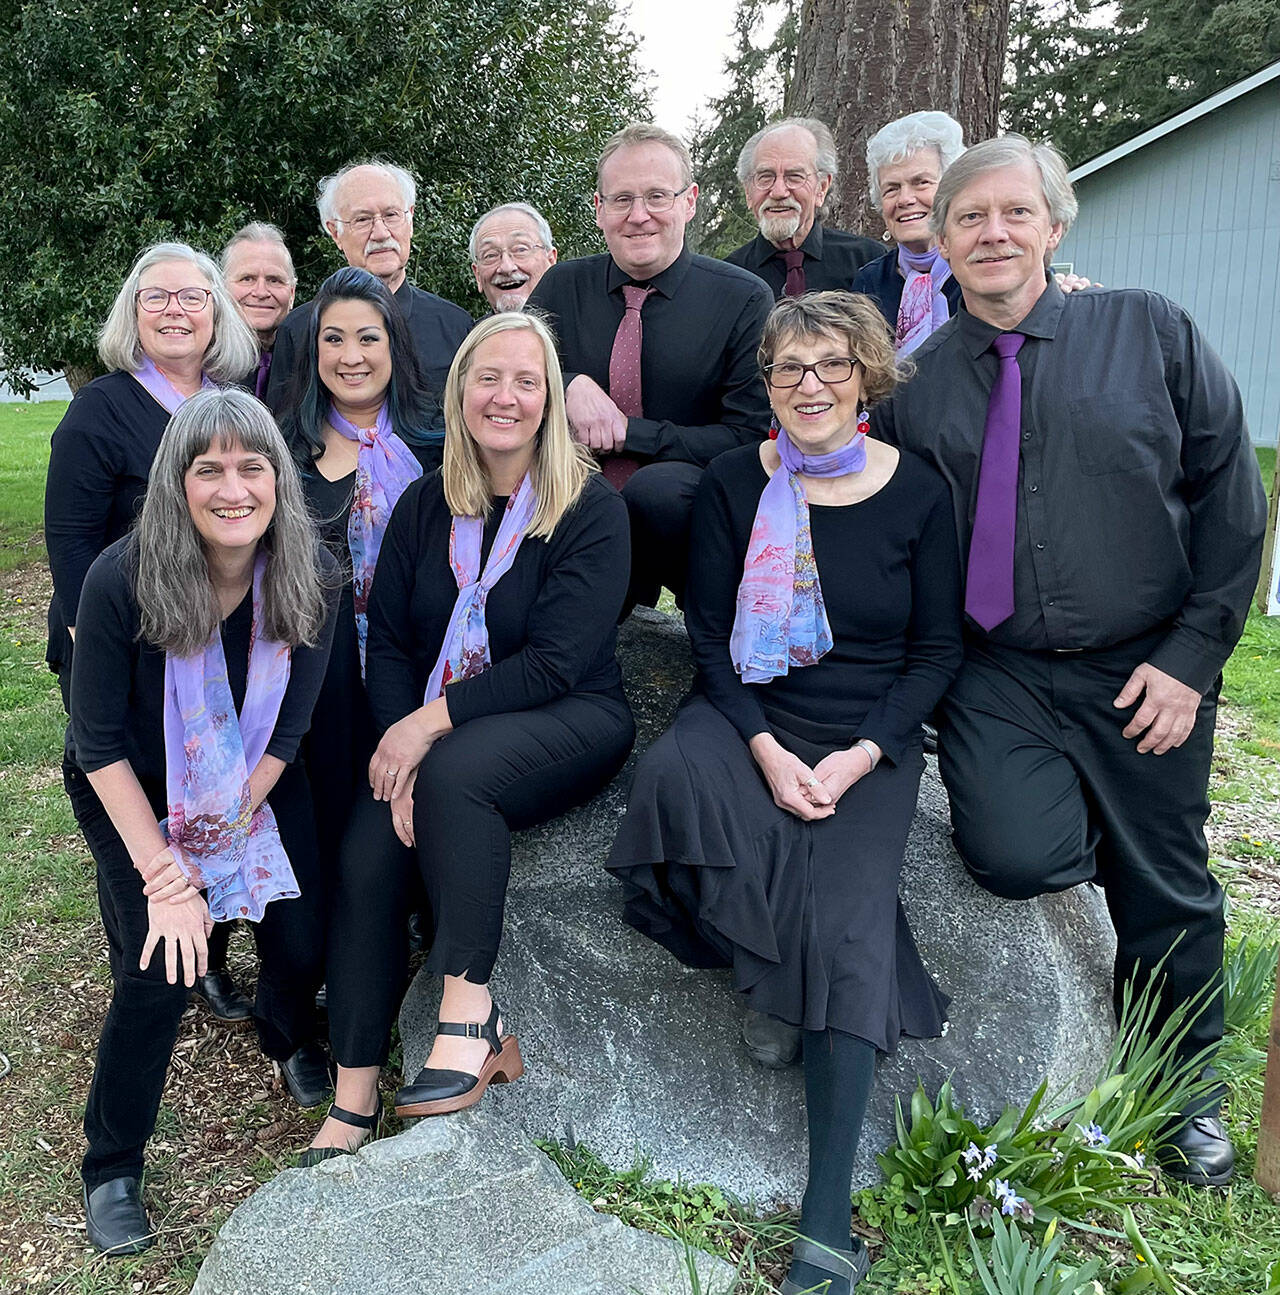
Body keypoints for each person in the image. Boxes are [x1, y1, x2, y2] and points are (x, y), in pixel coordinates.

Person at [873, 134, 1268, 1188]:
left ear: (1053, 225)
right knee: (1008, 853)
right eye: (968, 218)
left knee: (1167, 882)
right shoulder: (913, 385)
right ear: (939, 242)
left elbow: (1234, 503)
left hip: (1143, 661)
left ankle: (1185, 1094)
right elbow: (847, 476)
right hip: (995, 669)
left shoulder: (1149, 329)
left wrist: (1189, 660)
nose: (991, 232)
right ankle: (1093, 814)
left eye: (1013, 213)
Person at [607, 291, 962, 1295]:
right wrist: (762, 750)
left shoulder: (918, 491)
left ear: (866, 377)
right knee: (674, 782)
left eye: (830, 365)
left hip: (868, 735)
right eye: (787, 368)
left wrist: (859, 757)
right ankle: (767, 964)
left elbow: (935, 651)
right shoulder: (731, 481)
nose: (808, 384)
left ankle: (821, 1223)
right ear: (764, 383)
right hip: (752, 713)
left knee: (849, 933)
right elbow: (710, 638)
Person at [67, 389, 339, 1254]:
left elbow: (291, 729)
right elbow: (96, 741)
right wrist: (167, 874)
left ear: (278, 482)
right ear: (175, 482)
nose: (232, 487)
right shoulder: (123, 576)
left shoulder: (312, 574)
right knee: (161, 963)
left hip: (254, 775)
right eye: (208, 467)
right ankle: (112, 1165)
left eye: (252, 466)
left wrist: (232, 820)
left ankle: (285, 1031)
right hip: (134, 787)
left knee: (300, 934)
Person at [359, 311, 634, 1123]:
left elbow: (555, 662)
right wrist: (396, 749)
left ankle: (471, 1015)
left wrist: (424, 730)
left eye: (526, 381)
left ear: (548, 399)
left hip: (572, 712)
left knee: (456, 774)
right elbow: (390, 646)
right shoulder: (424, 502)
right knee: (365, 849)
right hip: (448, 721)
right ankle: (350, 1094)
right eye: (489, 377)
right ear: (460, 391)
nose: (505, 397)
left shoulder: (588, 507)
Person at [45, 244, 260, 1025]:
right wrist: (96, 642)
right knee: (131, 801)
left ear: (216, 314)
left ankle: (213, 949)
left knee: (204, 797)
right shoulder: (102, 407)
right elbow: (70, 540)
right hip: (122, 654)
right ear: (132, 315)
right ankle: (142, 957)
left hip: (216, 655)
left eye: (193, 297)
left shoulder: (234, 402)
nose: (175, 310)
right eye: (156, 297)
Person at [275, 266, 446, 1163]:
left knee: (381, 856)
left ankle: (381, 1030)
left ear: (395, 346)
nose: (350, 354)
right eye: (332, 338)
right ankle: (302, 1015)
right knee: (326, 871)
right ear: (312, 350)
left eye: (368, 337)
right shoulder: (287, 454)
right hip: (321, 697)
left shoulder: (435, 444)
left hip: (420, 678)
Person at [528, 122, 773, 612]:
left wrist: (630, 434)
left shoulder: (743, 298)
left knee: (657, 490)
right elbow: (499, 372)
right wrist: (567, 382)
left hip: (685, 518)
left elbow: (747, 436)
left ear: (690, 201)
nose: (639, 216)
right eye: (621, 200)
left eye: (657, 197)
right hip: (574, 508)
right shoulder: (560, 287)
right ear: (599, 210)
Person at [264, 160, 472, 414]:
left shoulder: (454, 326)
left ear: (411, 219)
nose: (381, 233)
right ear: (335, 233)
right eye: (363, 220)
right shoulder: (298, 331)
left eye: (391, 215)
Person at [724, 118, 883, 299]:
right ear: (748, 192)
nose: (778, 192)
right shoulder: (728, 278)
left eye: (794, 176)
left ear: (822, 188)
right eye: (765, 177)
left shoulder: (868, 263)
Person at [850, 112, 967, 353]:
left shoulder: (980, 270)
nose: (905, 199)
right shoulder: (869, 283)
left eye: (921, 182)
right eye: (891, 189)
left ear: (952, 191)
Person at [221, 222, 298, 397]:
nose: (261, 292)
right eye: (247, 278)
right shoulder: (200, 364)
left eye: (274, 280)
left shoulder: (311, 361)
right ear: (222, 287)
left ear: (292, 293)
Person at [469, 202, 558, 313]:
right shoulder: (469, 330)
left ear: (551, 261)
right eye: (490, 255)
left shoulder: (582, 325)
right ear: (477, 275)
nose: (507, 267)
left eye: (521, 250)